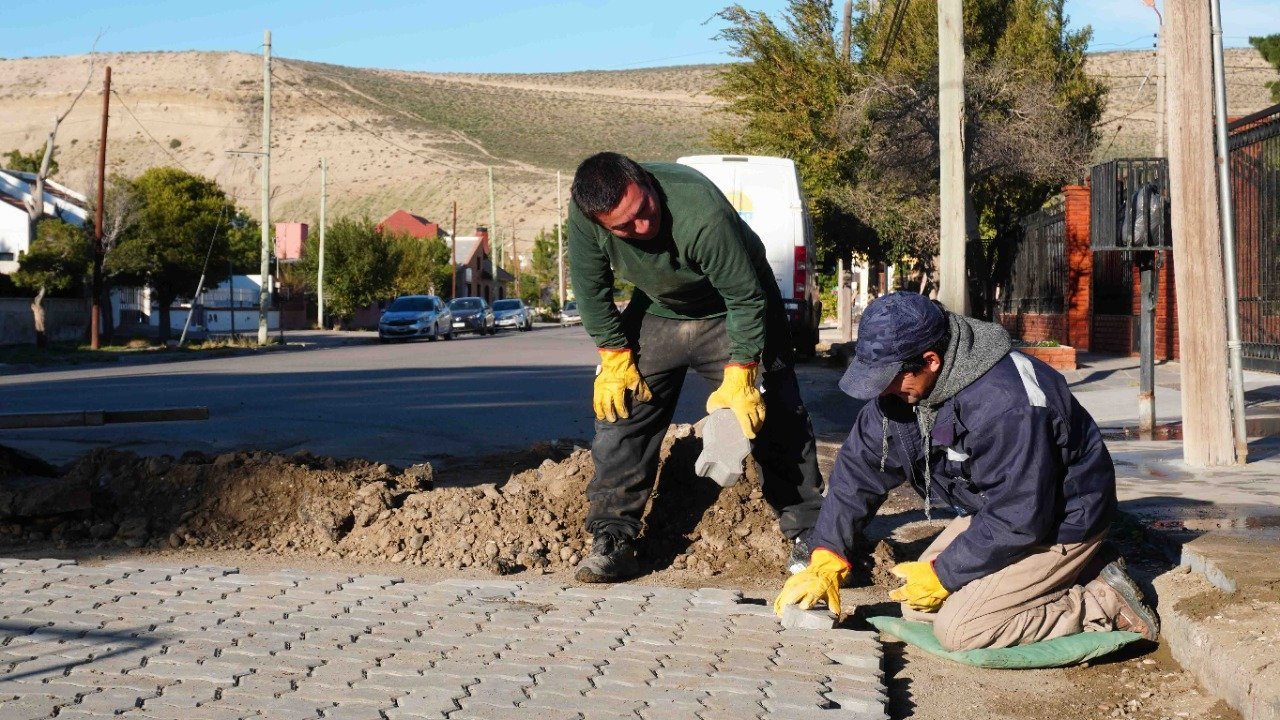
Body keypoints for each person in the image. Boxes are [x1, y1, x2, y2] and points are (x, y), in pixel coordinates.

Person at [775, 291, 1159, 650]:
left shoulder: (1009, 405)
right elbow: (858, 469)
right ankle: (1066, 576)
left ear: (931, 361)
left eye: (890, 380)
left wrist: (943, 575)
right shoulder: (907, 392)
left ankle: (1103, 601)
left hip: (1059, 521)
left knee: (962, 630)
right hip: (994, 512)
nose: (883, 391)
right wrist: (828, 553)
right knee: (917, 606)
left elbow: (1021, 515)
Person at [566, 151, 825, 583]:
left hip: (735, 307)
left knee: (774, 411)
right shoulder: (585, 215)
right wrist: (613, 353)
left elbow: (745, 298)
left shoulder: (699, 210)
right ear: (600, 222)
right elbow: (590, 289)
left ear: (646, 181)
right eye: (624, 227)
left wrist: (743, 371)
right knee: (621, 411)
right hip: (661, 309)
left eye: (645, 210)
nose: (641, 227)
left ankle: (811, 534)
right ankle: (612, 539)